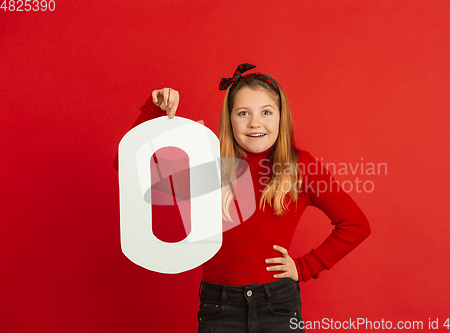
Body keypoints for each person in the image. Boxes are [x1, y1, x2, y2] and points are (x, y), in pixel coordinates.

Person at [113, 63, 371, 333]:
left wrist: (305, 267)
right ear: (230, 118)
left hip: (277, 304)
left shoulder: (298, 167)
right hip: (219, 307)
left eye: (266, 112)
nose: (255, 122)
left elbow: (355, 224)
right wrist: (154, 113)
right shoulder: (210, 164)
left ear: (281, 117)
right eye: (243, 113)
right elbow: (129, 166)